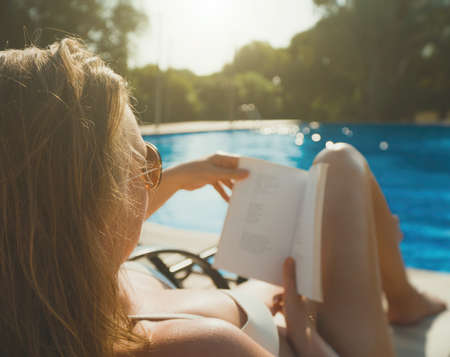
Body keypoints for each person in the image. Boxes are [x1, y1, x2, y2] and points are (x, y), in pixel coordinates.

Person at [0, 38, 445, 357]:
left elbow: (69, 218)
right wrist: (308, 339)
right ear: (102, 199)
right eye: (146, 163)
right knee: (340, 164)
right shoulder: (206, 348)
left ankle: (398, 289)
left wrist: (176, 177)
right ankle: (404, 299)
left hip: (263, 299)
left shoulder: (47, 282)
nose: (151, 179)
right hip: (305, 331)